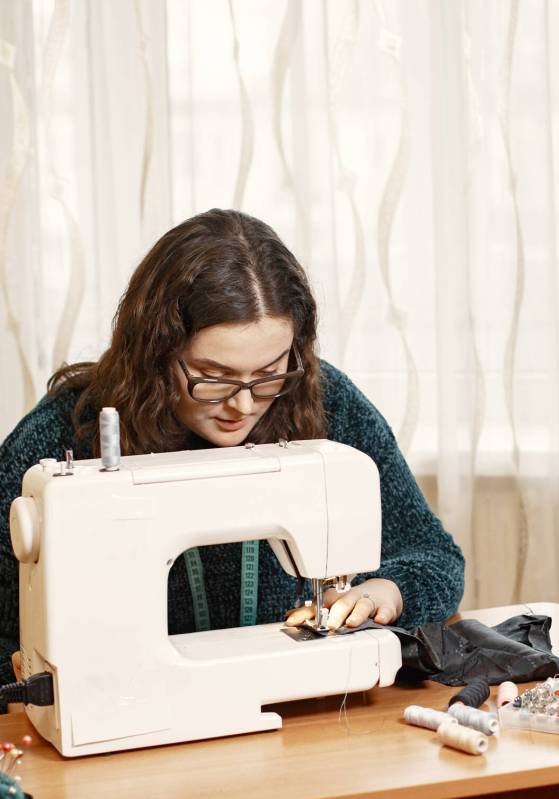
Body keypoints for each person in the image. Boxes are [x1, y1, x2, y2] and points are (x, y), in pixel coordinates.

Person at [0, 209, 465, 688]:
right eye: (214, 376)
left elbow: (436, 558)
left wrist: (387, 590)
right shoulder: (60, 437)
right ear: (156, 352)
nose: (242, 405)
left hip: (295, 711)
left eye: (268, 373)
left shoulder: (328, 403)